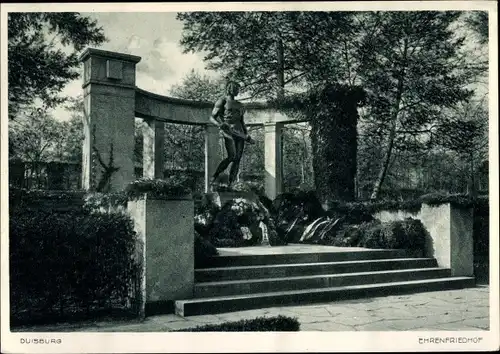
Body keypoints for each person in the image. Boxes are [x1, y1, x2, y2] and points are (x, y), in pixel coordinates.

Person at [209, 80, 254, 189]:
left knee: (237, 158)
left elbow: (242, 121)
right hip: (228, 131)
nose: (237, 90)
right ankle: (215, 175)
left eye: (238, 89)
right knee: (232, 156)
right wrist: (220, 125)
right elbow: (211, 118)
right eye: (236, 88)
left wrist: (246, 135)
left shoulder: (240, 105)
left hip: (240, 133)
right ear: (230, 88)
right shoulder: (222, 101)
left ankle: (231, 183)